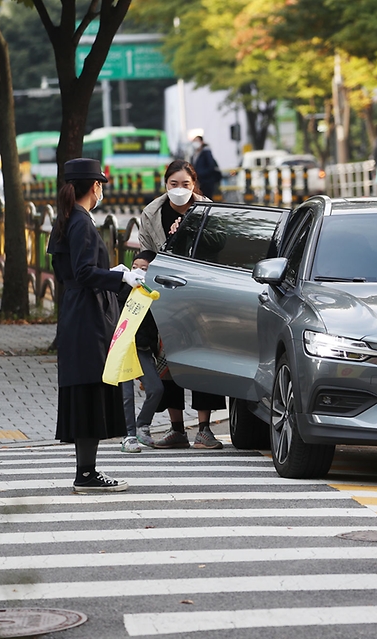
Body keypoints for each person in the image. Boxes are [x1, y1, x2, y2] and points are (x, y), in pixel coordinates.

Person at [47, 158, 139, 493]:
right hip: (88, 315)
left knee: (85, 389)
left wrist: (110, 272)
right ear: (95, 187)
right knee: (90, 388)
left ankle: (86, 471)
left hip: (77, 311)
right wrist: (118, 275)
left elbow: (69, 271)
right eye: (101, 185)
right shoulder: (82, 223)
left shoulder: (68, 219)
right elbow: (85, 272)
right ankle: (86, 474)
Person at [139, 160, 226, 450]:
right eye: (173, 184)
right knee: (167, 358)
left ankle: (204, 429)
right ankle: (177, 429)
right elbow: (148, 248)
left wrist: (188, 230)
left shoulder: (206, 210)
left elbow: (220, 244)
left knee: (202, 358)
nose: (179, 190)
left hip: (200, 295)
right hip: (166, 294)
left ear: (194, 185)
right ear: (166, 185)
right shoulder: (152, 212)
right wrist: (143, 259)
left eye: (185, 184)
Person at [118, 250, 163, 452]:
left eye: (144, 269)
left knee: (155, 389)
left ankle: (142, 426)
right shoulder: (122, 290)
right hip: (124, 349)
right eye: (135, 267)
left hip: (143, 350)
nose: (138, 272)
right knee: (126, 395)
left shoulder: (155, 295)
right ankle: (128, 436)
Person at [189, 130, 222, 199]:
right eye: (194, 141)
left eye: (197, 141)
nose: (195, 143)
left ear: (202, 142)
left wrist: (200, 174)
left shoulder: (206, 152)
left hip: (207, 182)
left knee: (207, 199)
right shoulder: (193, 155)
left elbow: (211, 166)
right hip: (198, 182)